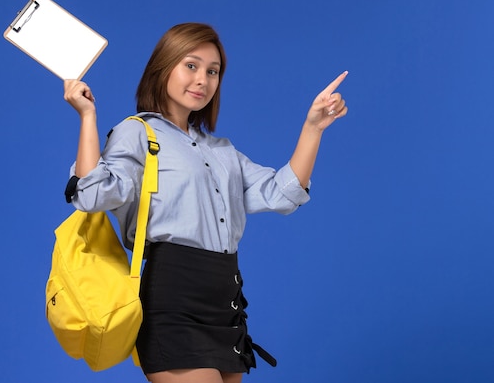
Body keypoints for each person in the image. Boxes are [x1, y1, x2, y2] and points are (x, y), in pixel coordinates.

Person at [63, 22, 348, 383]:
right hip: (172, 296)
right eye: (191, 66)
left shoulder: (221, 151)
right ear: (163, 67)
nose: (203, 80)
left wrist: (313, 129)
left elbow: (281, 193)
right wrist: (87, 117)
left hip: (225, 298)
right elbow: (91, 193)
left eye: (213, 71)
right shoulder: (138, 131)